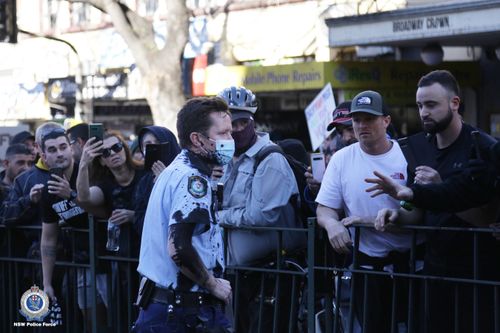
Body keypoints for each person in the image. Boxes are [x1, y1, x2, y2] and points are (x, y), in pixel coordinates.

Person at [365, 70, 499, 333]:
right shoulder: (417, 148)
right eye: (419, 105)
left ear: (455, 103)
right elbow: (415, 207)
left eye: (431, 104)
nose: (424, 112)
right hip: (434, 271)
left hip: (478, 274)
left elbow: (487, 217)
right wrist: (397, 215)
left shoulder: (481, 147)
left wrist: (440, 188)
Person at [316, 90, 421, 333]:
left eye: (369, 119)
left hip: (412, 265)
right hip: (367, 268)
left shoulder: (408, 154)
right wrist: (332, 225)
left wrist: (396, 207)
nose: (362, 125)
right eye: (357, 120)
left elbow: (419, 207)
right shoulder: (341, 159)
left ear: (386, 121)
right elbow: (325, 208)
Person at [132, 97, 232, 333]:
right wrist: (212, 283)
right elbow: (178, 247)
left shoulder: (177, 171)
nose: (231, 140)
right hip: (182, 313)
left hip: (171, 310)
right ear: (197, 139)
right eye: (224, 133)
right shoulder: (191, 179)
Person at [217, 86, 305, 333]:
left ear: (253, 122)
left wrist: (220, 217)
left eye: (242, 122)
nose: (235, 130)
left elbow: (260, 216)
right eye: (229, 124)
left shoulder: (270, 158)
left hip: (271, 271)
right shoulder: (225, 158)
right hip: (238, 272)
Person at [37, 127, 109, 330]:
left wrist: (71, 194)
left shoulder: (89, 173)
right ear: (43, 156)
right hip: (83, 263)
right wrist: (47, 282)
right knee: (92, 320)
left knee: (117, 316)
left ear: (71, 149)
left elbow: (104, 212)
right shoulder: (48, 192)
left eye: (62, 147)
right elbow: (48, 239)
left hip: (109, 259)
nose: (59, 153)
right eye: (52, 150)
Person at [305, 101, 357, 202]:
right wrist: (319, 189)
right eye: (340, 132)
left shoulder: (395, 152)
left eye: (350, 129)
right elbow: (332, 208)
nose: (346, 138)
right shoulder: (339, 161)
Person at [133, 125, 180, 235]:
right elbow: (140, 220)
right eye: (148, 144)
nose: (154, 146)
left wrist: (166, 183)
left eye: (158, 142)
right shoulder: (145, 181)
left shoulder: (184, 172)